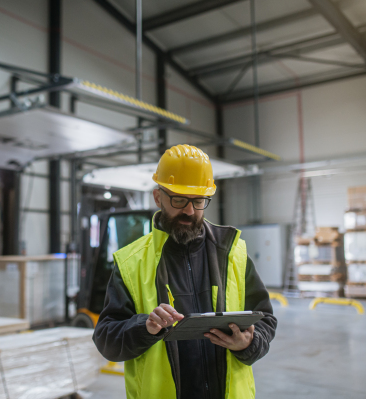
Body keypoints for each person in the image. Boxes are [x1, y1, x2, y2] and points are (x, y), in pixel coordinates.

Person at [93, 144, 277, 399]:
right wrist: (145, 327)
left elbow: (265, 320)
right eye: (179, 199)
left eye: (198, 201)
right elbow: (106, 341)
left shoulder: (233, 253)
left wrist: (248, 344)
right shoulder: (130, 263)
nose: (189, 211)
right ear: (158, 198)